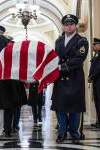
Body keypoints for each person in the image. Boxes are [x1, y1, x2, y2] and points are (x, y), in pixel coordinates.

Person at [51, 14, 89, 143]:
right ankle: (62, 133)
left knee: (75, 107)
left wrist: (62, 67)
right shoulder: (58, 41)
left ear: (75, 25)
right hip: (60, 79)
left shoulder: (81, 41)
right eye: (66, 24)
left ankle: (74, 133)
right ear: (63, 26)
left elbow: (79, 59)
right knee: (60, 107)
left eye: (71, 24)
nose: (68, 26)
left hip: (75, 78)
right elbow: (55, 57)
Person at [88, 38, 100, 128]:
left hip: (98, 81)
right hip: (96, 82)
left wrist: (91, 77)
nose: (93, 46)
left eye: (94, 45)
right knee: (97, 102)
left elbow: (98, 69)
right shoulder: (96, 54)